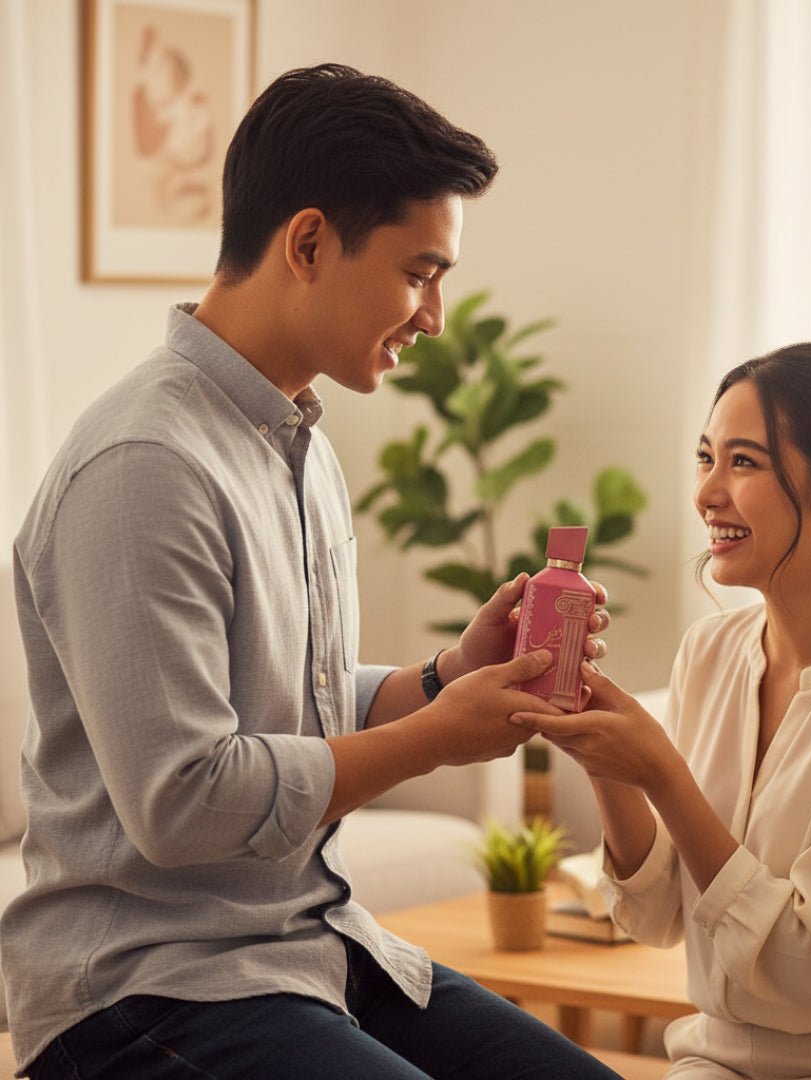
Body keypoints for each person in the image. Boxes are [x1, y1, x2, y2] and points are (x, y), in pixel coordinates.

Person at [0, 64, 620, 1080]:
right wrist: (431, 741)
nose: (434, 318)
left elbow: (290, 704)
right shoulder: (144, 465)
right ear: (307, 243)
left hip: (308, 945)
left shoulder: (297, 444)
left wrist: (444, 677)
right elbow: (185, 799)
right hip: (141, 992)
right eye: (420, 272)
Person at [512, 343, 811, 1079]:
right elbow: (660, 916)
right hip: (717, 1058)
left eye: (744, 463)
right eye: (705, 459)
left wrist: (663, 774)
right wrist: (602, 759)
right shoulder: (712, 651)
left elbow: (802, 967)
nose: (706, 492)